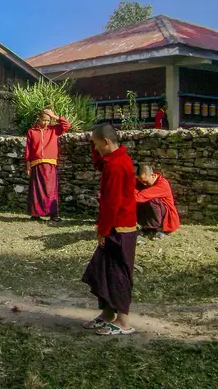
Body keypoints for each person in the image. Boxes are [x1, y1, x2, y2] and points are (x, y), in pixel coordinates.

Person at [82, 124, 138, 336]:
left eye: (97, 146)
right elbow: (98, 163)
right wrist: (91, 140)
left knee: (118, 275)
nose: (95, 150)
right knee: (101, 272)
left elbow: (111, 203)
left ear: (106, 143)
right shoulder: (114, 160)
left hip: (120, 229)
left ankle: (123, 322)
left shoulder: (117, 166)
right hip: (116, 227)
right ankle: (107, 314)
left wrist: (103, 230)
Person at [24, 108, 71, 222]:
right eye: (44, 120)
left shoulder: (54, 130)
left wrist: (55, 117)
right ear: (39, 118)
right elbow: (28, 151)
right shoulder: (32, 131)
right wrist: (28, 166)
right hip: (36, 165)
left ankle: (53, 215)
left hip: (50, 165)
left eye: (48, 120)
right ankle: (35, 214)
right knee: (36, 191)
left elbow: (67, 125)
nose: (46, 123)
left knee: (51, 190)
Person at [135, 165, 180, 240]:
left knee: (152, 200)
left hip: (167, 217)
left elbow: (139, 197)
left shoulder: (162, 184)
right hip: (151, 214)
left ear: (152, 175)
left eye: (145, 181)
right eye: (141, 182)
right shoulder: (141, 182)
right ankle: (147, 227)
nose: (144, 184)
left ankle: (157, 228)